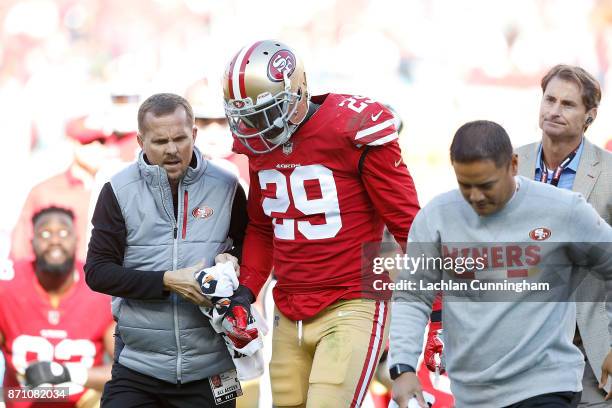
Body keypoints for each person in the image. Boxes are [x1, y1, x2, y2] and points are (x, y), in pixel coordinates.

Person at [221, 40, 421, 407]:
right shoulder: (259, 143)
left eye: (266, 113)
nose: (255, 129)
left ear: (297, 92)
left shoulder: (354, 127)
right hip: (288, 305)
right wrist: (246, 293)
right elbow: (264, 227)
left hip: (353, 299)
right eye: (247, 117)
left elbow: (410, 226)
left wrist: (437, 311)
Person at [389, 120, 612, 408]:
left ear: (514, 164)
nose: (476, 196)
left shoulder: (564, 210)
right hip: (472, 394)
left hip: (546, 384)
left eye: (486, 185)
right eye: (465, 185)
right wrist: (403, 367)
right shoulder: (437, 218)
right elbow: (412, 295)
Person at [85, 93, 248, 407]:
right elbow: (97, 272)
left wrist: (235, 260)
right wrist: (166, 281)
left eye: (180, 138)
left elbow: (249, 249)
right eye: (160, 141)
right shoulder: (117, 190)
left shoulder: (228, 185)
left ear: (194, 135)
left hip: (215, 368)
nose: (172, 150)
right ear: (140, 141)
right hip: (138, 366)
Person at [516, 64, 612, 406]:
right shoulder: (507, 164)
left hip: (591, 353)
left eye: (568, 104)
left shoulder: (610, 174)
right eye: (549, 99)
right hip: (520, 353)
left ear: (590, 115)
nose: (554, 111)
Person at [0, 206, 114, 408]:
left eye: (63, 232)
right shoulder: (8, 287)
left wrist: (68, 373)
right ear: (31, 242)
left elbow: (126, 369)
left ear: (77, 240)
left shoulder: (100, 288)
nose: (54, 240)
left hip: (82, 402)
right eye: (45, 233)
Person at [9, 120, 117, 262]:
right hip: (61, 281)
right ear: (72, 144)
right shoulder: (45, 192)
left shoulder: (118, 191)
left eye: (102, 141)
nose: (96, 147)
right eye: (87, 142)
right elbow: (20, 252)